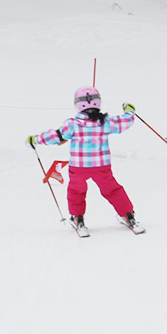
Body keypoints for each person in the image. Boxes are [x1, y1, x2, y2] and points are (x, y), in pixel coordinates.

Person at [27, 86, 142, 234]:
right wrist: (129, 110)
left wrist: (36, 139)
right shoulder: (105, 122)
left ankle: (78, 219)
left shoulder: (73, 124)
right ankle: (128, 215)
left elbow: (56, 136)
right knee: (112, 190)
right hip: (101, 166)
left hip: (78, 167)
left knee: (76, 191)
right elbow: (124, 122)